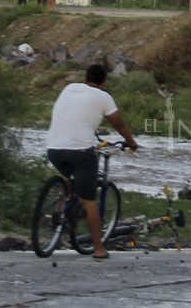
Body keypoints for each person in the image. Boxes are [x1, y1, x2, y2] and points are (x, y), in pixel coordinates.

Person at [46, 64, 138, 260]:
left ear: (85, 77)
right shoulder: (104, 97)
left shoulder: (69, 88)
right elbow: (119, 123)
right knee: (89, 200)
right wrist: (131, 142)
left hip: (53, 149)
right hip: (80, 151)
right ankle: (98, 249)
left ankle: (60, 211)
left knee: (70, 176)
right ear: (104, 82)